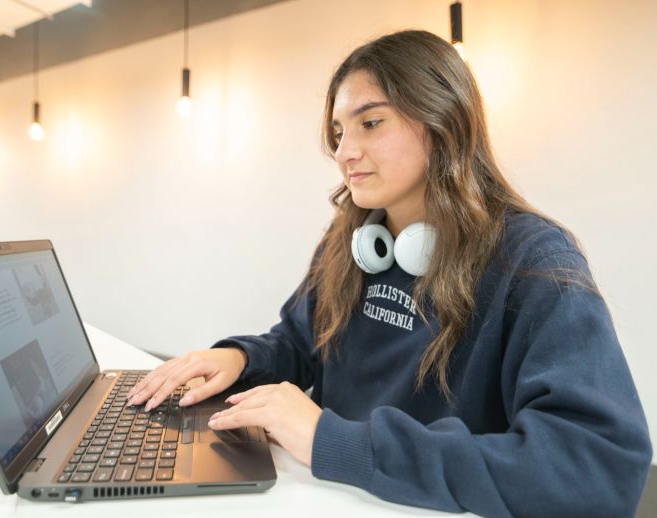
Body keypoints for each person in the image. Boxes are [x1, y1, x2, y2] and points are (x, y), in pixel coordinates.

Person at [127, 30, 652, 516]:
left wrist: (336, 443)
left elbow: (597, 469)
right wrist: (239, 357)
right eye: (338, 131)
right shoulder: (351, 241)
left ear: (443, 121)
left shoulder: (534, 262)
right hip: (334, 497)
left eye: (370, 123)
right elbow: (299, 343)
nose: (344, 152)